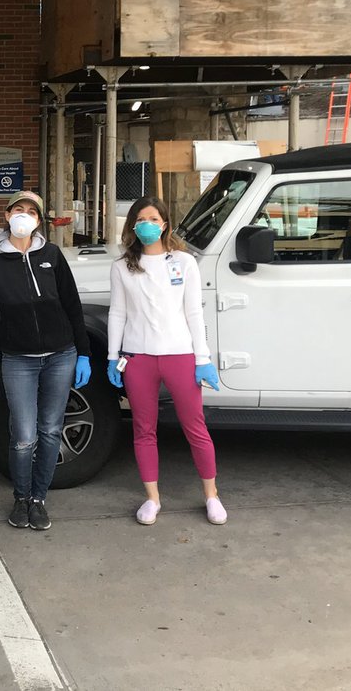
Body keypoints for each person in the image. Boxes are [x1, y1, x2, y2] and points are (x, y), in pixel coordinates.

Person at [0, 190, 91, 531]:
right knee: (22, 435)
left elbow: (72, 305)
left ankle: (38, 500)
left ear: (38, 220)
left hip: (61, 355)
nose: (23, 215)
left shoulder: (51, 254)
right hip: (18, 359)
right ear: (7, 216)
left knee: (50, 430)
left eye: (30, 211)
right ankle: (21, 498)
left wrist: (84, 354)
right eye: (18, 209)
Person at [105, 196, 226, 527]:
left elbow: (194, 312)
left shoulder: (184, 262)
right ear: (132, 225)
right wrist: (112, 356)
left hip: (180, 355)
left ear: (164, 223)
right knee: (144, 429)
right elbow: (118, 312)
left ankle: (212, 495)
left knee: (195, 426)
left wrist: (203, 358)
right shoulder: (122, 266)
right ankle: (152, 498)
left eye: (153, 218)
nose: (147, 223)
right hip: (138, 357)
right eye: (141, 218)